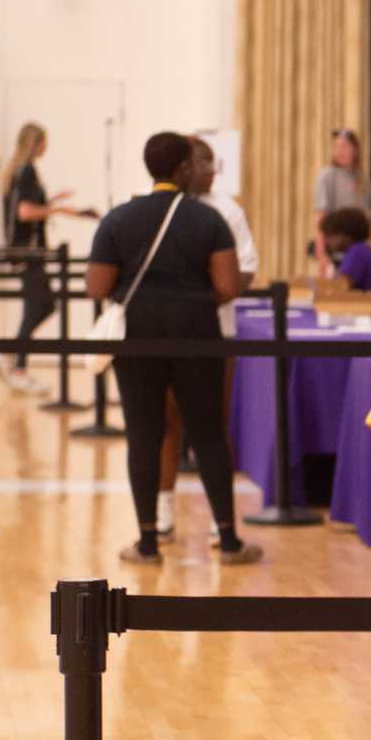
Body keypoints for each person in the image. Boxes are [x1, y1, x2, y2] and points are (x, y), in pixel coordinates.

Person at [86, 132, 261, 566]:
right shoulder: (208, 221)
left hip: (137, 339)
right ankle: (229, 539)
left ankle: (147, 543)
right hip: (197, 335)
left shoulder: (118, 219)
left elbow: (97, 286)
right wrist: (190, 301)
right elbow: (226, 286)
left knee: (144, 434)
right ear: (183, 168)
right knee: (209, 435)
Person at [153, 137, 257, 539]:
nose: (210, 169)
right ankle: (162, 514)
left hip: (216, 332)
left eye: (213, 162)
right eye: (202, 161)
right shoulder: (161, 207)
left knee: (212, 427)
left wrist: (196, 302)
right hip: (163, 333)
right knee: (166, 426)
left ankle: (220, 520)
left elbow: (246, 269)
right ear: (182, 165)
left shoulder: (227, 210)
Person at [0, 122, 90, 394]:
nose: (46, 147)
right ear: (35, 143)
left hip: (27, 251)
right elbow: (25, 213)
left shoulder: (21, 171)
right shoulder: (26, 172)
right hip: (27, 252)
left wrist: (51, 203)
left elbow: (25, 209)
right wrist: (57, 210)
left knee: (43, 306)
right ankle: (18, 365)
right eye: (44, 142)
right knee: (37, 307)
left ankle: (14, 356)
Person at [316, 207, 371, 292]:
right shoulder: (361, 250)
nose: (327, 241)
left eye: (330, 235)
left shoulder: (357, 252)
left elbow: (342, 286)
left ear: (345, 235)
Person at [313, 127, 365, 220]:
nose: (340, 151)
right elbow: (321, 213)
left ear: (355, 149)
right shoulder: (327, 175)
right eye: (336, 147)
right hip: (335, 232)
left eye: (345, 146)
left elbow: (366, 213)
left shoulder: (361, 177)